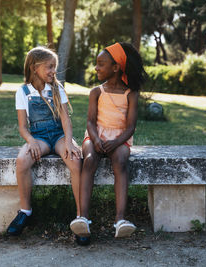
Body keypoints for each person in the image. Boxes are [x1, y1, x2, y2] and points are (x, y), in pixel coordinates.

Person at [7, 47, 86, 244]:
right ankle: (26, 211)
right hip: (39, 138)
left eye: (54, 67)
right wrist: (31, 141)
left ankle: (80, 218)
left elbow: (66, 120)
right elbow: (23, 127)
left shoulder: (57, 89)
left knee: (76, 161)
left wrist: (69, 142)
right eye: (49, 67)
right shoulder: (23, 91)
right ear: (34, 68)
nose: (53, 71)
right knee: (22, 160)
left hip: (59, 136)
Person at [70, 42, 147, 244]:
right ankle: (83, 218)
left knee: (121, 161)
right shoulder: (96, 91)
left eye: (100, 64)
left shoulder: (131, 94)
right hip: (95, 134)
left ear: (116, 67)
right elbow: (90, 121)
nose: (96, 68)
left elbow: (130, 127)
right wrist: (95, 139)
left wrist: (115, 142)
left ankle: (120, 219)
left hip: (120, 137)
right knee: (88, 159)